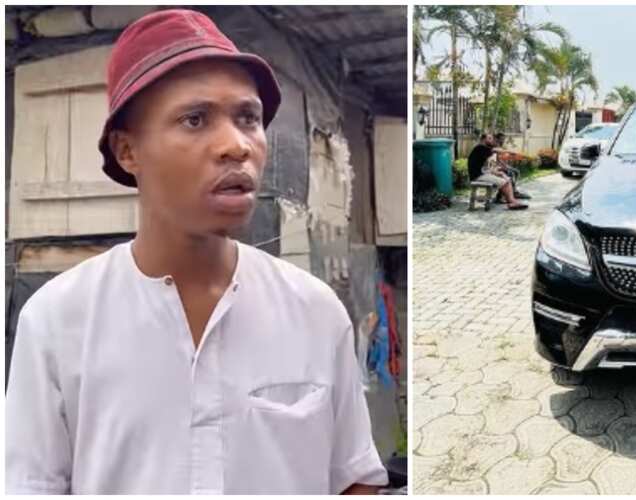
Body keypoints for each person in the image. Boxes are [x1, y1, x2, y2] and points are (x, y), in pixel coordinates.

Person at [5, 9, 387, 494]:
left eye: (248, 118)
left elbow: (354, 480)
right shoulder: (57, 322)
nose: (236, 145)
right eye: (195, 119)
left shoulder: (315, 311)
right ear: (128, 151)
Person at [467, 133, 527, 210]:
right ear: (483, 139)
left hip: (481, 174)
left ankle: (508, 199)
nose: (492, 140)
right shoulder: (480, 147)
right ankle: (511, 202)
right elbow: (496, 150)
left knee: (505, 176)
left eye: (491, 138)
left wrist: (496, 171)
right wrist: (510, 152)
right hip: (477, 176)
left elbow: (484, 166)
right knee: (505, 182)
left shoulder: (482, 149)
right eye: (489, 138)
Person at [491, 132, 531, 200]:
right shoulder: (493, 146)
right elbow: (494, 160)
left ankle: (514, 191)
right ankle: (507, 194)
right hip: (494, 168)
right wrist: (502, 165)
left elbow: (499, 159)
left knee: (516, 172)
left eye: (503, 139)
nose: (503, 140)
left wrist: (505, 165)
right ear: (497, 139)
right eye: (501, 139)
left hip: (499, 166)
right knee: (510, 173)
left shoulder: (500, 146)